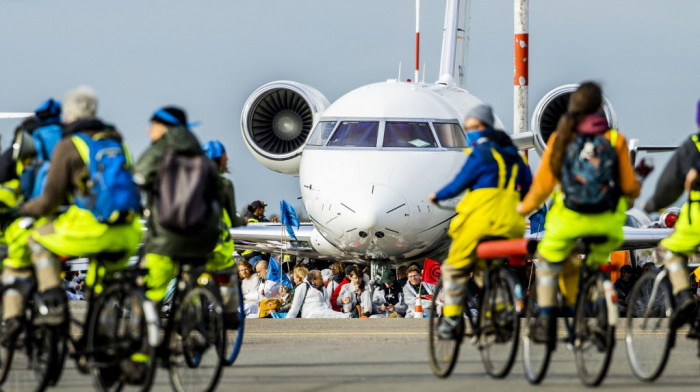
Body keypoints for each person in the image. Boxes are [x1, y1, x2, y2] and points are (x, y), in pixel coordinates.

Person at [1, 87, 143, 338]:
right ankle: (107, 347)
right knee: (104, 285)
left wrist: (22, 210)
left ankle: (53, 299)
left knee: (37, 241)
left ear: (68, 117)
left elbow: (49, 200)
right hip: (128, 231)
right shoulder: (116, 142)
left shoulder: (70, 145)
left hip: (92, 228)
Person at [516, 82, 641, 342]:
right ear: (599, 109)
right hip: (605, 224)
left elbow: (542, 187)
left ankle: (548, 318)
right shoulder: (616, 141)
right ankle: (600, 304)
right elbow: (630, 187)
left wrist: (523, 208)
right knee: (596, 265)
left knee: (550, 262)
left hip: (569, 222)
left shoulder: (560, 140)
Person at [428, 103, 532, 337]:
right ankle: (497, 313)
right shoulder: (514, 157)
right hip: (512, 225)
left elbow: (459, 183)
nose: (471, 131)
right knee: (489, 269)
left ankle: (452, 320)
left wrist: (437, 196)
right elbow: (529, 190)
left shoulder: (481, 154)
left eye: (473, 127)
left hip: (481, 223)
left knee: (454, 269)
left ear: (483, 127)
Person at [134, 106, 220, 305]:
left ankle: (149, 328)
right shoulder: (200, 154)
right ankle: (195, 322)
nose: (149, 130)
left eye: (153, 125)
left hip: (165, 238)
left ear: (164, 127)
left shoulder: (158, 151)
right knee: (192, 282)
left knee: (148, 293)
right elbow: (219, 189)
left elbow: (137, 179)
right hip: (202, 239)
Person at [640, 100, 700, 334]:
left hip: (696, 217)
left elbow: (668, 186)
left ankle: (684, 297)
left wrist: (653, 204)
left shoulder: (692, 147)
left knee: (670, 250)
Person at [202, 139, 246, 327]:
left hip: (186, 242)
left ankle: (190, 310)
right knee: (227, 275)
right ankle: (228, 315)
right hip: (214, 245)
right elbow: (233, 220)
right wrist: (242, 222)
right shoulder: (224, 184)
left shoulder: (184, 181)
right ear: (219, 160)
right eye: (225, 158)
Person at [285, 270, 350, 318]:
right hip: (311, 314)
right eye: (320, 278)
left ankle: (348, 316)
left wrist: (330, 310)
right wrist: (288, 321)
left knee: (332, 314)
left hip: (324, 311)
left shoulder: (323, 289)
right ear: (313, 280)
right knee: (328, 314)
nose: (322, 279)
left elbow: (328, 303)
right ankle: (347, 316)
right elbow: (295, 306)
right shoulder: (303, 287)